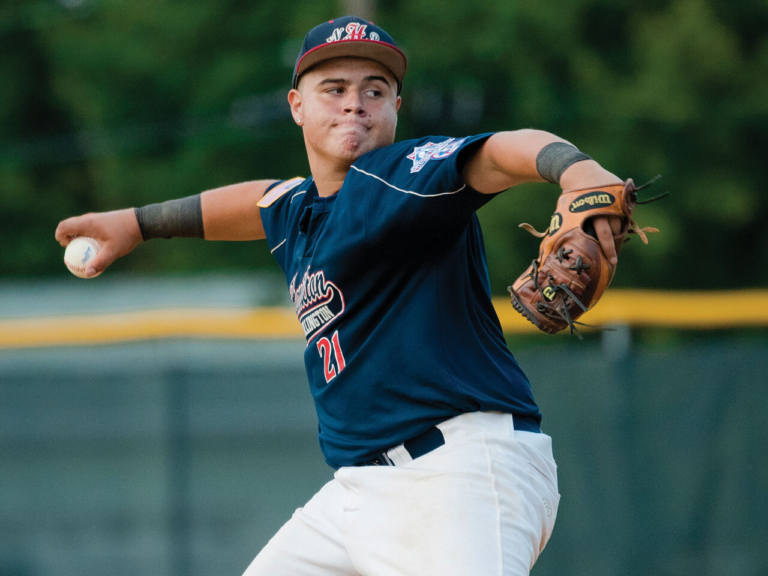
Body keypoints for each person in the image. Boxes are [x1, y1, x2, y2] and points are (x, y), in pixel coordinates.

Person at [56, 15, 624, 576]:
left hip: (458, 477)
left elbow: (499, 152)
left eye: (374, 91)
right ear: (297, 105)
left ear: (395, 109)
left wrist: (575, 169)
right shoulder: (299, 208)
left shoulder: (400, 176)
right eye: (334, 89)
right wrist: (135, 222)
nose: (355, 103)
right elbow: (254, 202)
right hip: (359, 491)